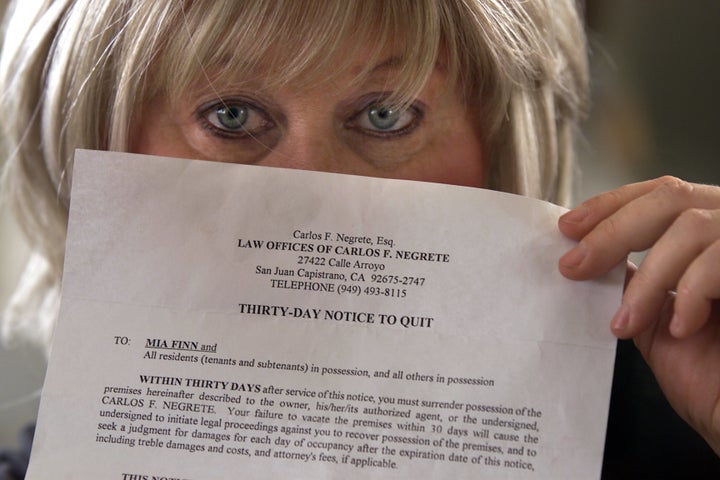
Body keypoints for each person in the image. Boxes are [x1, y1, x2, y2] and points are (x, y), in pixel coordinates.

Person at [0, 0, 718, 477]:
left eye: (385, 116)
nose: (314, 197)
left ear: (500, 149)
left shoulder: (680, 424)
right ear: (91, 144)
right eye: (230, 117)